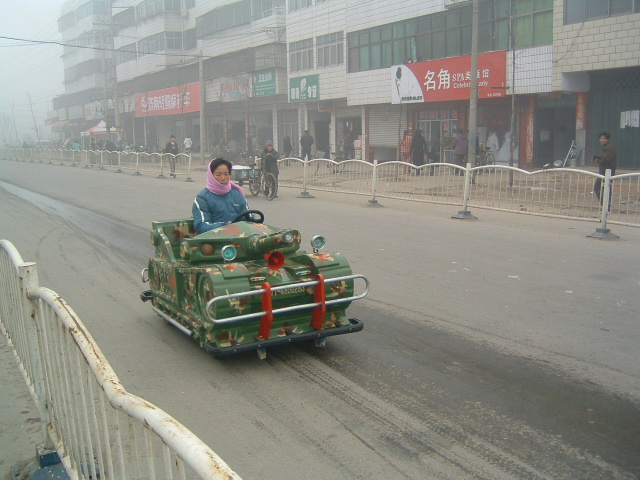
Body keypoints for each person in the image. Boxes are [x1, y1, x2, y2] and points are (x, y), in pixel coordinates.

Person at [192, 157, 249, 235]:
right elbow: (201, 226)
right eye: (218, 175)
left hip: (239, 237)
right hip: (216, 240)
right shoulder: (202, 198)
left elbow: (247, 217)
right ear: (211, 176)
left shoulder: (237, 194)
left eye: (226, 174)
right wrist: (225, 226)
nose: (223, 178)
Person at [592, 131, 617, 206]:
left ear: (608, 139)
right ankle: (605, 205)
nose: (602, 140)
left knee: (598, 187)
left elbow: (606, 159)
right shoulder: (607, 147)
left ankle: (605, 205)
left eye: (604, 138)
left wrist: (597, 160)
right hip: (605, 170)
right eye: (601, 138)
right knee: (605, 188)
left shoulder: (609, 148)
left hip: (607, 171)